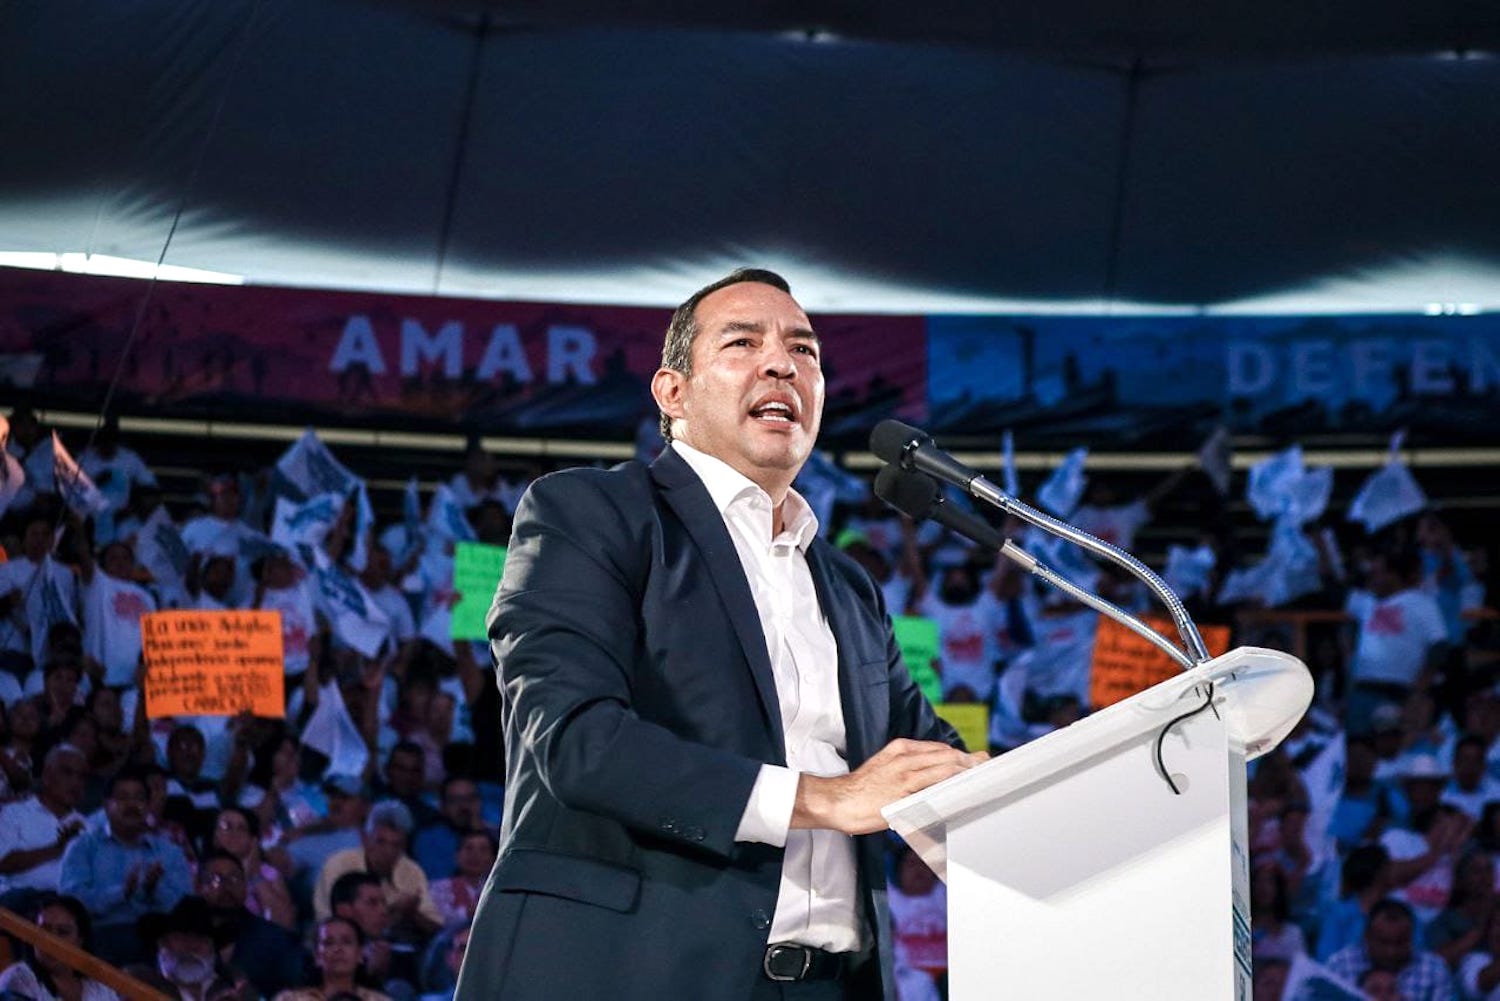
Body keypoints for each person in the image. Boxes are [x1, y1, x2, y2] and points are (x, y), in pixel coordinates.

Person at [455, 270, 976, 1001]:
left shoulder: (849, 587)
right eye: (743, 342)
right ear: (673, 392)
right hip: (632, 975)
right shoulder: (590, 514)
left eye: (804, 350)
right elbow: (579, 742)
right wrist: (826, 799)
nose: (781, 363)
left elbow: (932, 769)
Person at [58, 768, 193, 964]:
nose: (132, 805)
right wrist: (122, 892)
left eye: (139, 798)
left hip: (158, 939)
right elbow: (71, 903)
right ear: (106, 805)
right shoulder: (83, 847)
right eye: (122, 798)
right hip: (101, 936)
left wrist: (154, 890)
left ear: (148, 806)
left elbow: (185, 908)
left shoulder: (169, 852)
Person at [195, 849, 306, 1000]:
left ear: (246, 886)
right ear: (199, 887)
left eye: (235, 879)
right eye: (216, 879)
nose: (227, 886)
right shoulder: (183, 938)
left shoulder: (273, 939)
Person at [0, 744, 88, 897]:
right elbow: (3, 863)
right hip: (18, 900)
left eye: (82, 776)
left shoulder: (88, 825)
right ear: (47, 775)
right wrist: (56, 849)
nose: (75, 782)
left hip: (70, 903)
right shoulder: (15, 813)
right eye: (67, 772)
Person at [1325, 898, 1454, 1000]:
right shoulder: (1339, 966)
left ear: (1412, 939)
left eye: (1400, 943)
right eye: (1383, 942)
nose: (1391, 952)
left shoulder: (1434, 970)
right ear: (1367, 937)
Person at [0, 893, 122, 1001]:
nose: (52, 941)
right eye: (45, 930)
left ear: (80, 940)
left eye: (63, 932)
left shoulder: (99, 984)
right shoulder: (19, 978)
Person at [272, 916, 390, 1001]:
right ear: (317, 955)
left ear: (360, 954)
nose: (338, 949)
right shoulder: (290, 999)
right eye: (329, 943)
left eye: (347, 942)